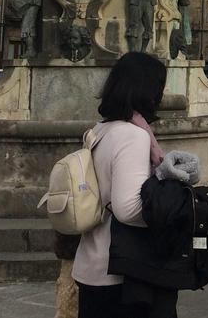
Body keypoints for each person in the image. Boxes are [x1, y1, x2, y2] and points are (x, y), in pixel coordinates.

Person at [73, 51, 167, 318]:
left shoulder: (100, 130)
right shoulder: (133, 136)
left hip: (92, 262)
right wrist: (171, 214)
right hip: (121, 271)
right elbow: (128, 209)